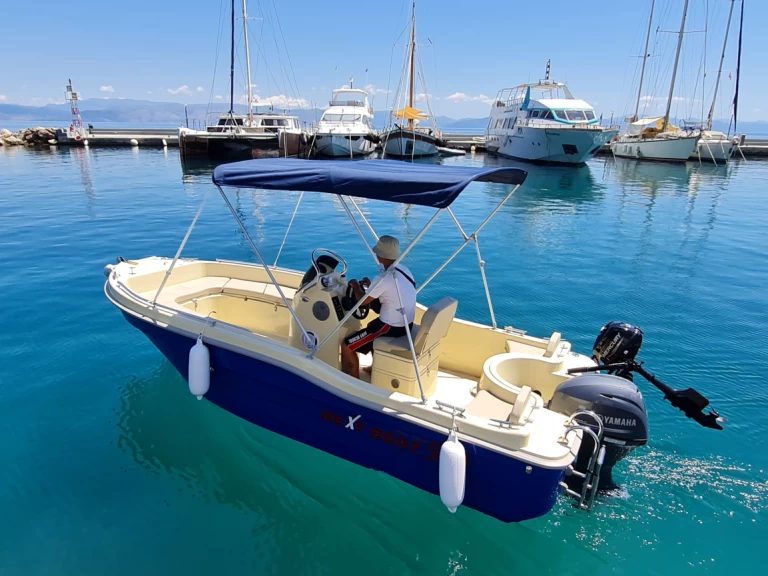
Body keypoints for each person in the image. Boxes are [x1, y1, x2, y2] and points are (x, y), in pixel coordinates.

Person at [341, 235, 416, 379]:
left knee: (347, 345)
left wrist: (355, 285)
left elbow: (362, 301)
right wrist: (371, 286)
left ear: (380, 256)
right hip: (407, 324)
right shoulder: (404, 270)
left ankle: (354, 380)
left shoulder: (383, 278)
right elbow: (390, 291)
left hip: (391, 327)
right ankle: (373, 368)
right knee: (371, 325)